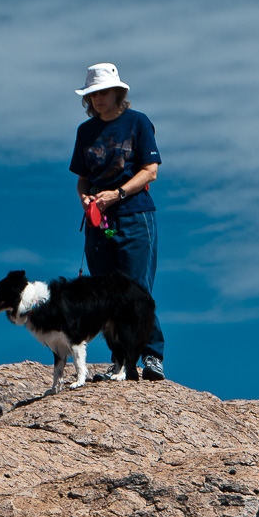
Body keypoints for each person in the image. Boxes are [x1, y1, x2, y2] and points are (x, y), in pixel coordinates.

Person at [70, 62, 165, 381]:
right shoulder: (85, 132)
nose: (98, 99)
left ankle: (152, 356)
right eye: (93, 94)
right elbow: (82, 178)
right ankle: (122, 362)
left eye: (104, 92)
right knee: (107, 291)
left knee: (136, 288)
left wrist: (117, 193)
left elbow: (150, 170)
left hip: (135, 214)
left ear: (118, 92)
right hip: (99, 220)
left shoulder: (138, 122)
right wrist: (86, 198)